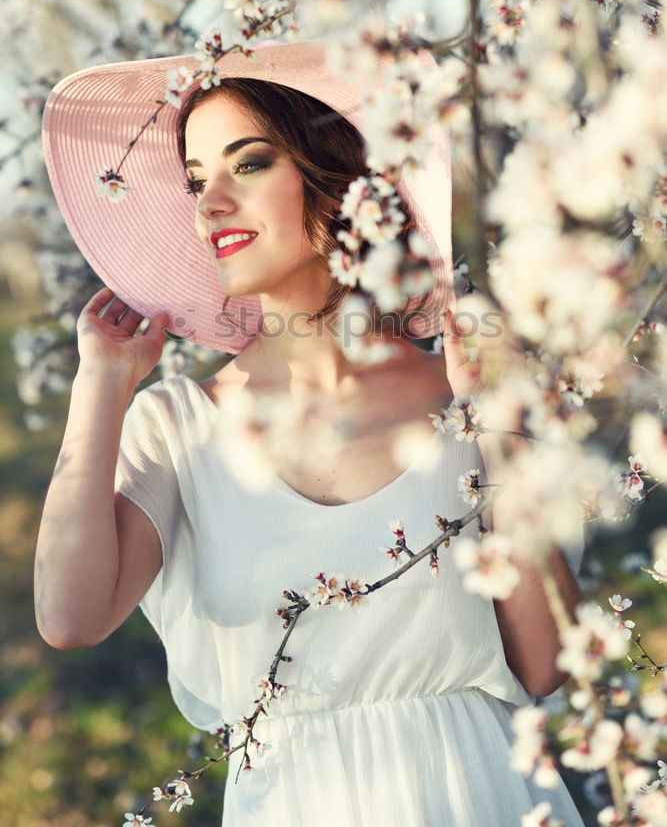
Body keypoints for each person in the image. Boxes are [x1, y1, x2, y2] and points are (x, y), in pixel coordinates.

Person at [34, 40, 585, 826]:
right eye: (196, 180)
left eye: (247, 164)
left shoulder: (463, 394)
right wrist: (101, 386)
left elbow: (543, 665)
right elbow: (68, 615)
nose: (208, 203)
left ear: (336, 178)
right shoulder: (177, 427)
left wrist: (501, 427)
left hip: (477, 794)